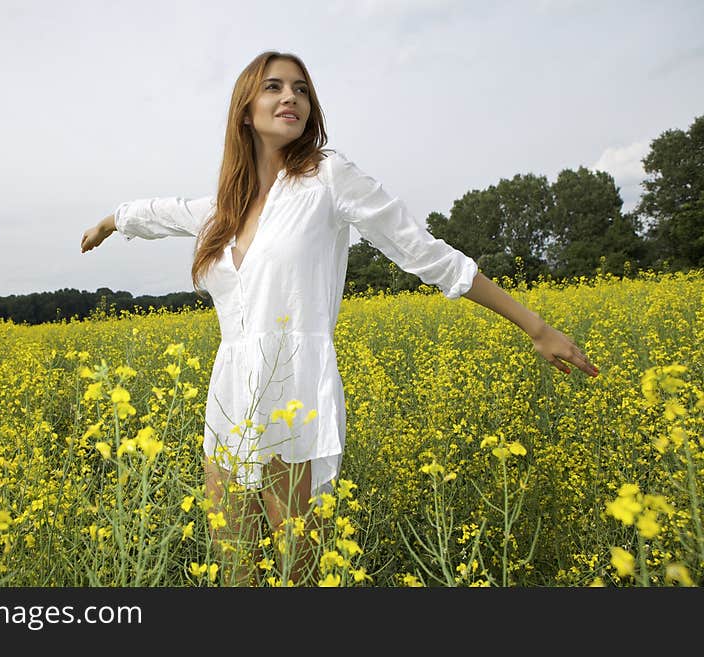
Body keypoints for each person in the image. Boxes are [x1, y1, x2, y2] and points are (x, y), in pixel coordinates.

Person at [80, 50, 599, 586]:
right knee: (234, 570)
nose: (291, 99)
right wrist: (108, 223)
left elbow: (425, 252)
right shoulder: (221, 210)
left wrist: (537, 327)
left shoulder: (327, 178)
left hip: (293, 393)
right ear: (244, 110)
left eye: (301, 90)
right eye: (275, 87)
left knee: (297, 568)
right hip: (229, 396)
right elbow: (155, 212)